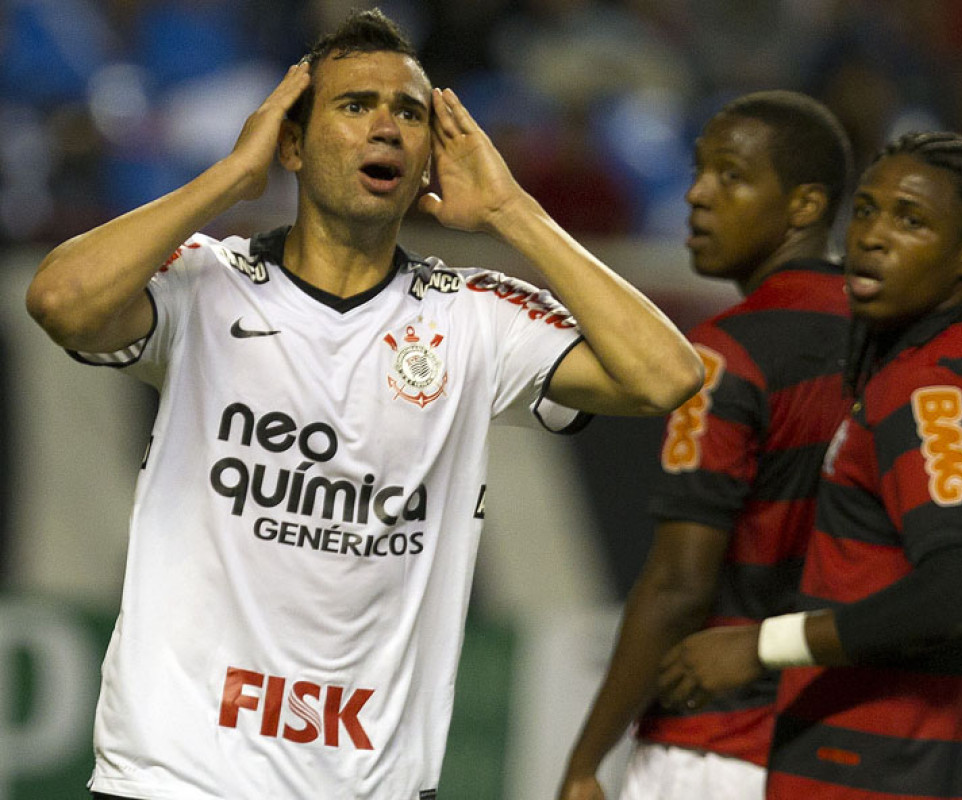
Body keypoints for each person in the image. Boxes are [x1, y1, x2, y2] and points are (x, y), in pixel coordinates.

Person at [24, 9, 702, 800]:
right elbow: (61, 300)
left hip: (369, 785)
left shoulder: (472, 317)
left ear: (428, 162)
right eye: (355, 106)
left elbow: (666, 376)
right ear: (294, 143)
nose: (387, 125)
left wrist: (514, 213)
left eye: (408, 113)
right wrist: (229, 181)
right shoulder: (207, 284)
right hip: (174, 777)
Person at [656, 131, 962, 799]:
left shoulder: (930, 389)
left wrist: (759, 646)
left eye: (911, 220)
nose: (872, 236)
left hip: (876, 769)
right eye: (864, 211)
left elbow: (954, 592)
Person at [558, 90, 854, 800]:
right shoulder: (901, 344)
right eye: (697, 171)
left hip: (717, 747)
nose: (697, 195)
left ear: (806, 206)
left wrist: (585, 759)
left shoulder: (725, 356)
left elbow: (679, 586)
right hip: (855, 747)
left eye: (731, 175)